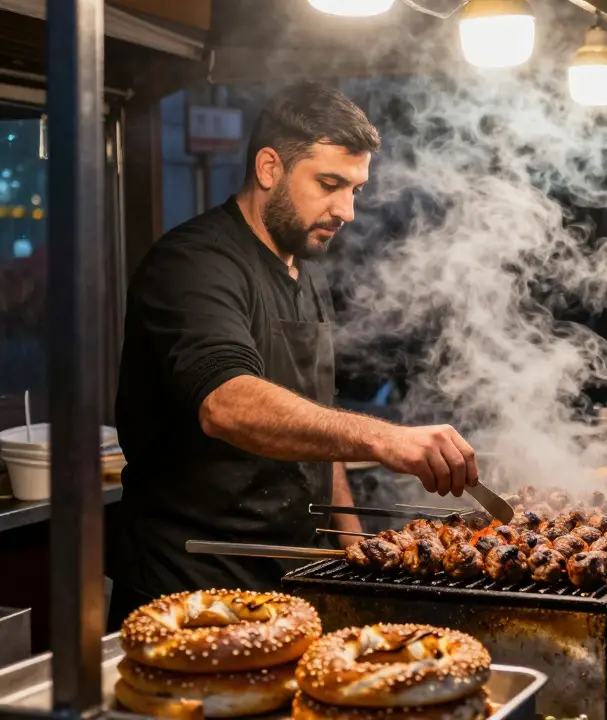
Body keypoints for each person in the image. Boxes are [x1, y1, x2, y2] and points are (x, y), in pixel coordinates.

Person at [110, 84, 478, 625]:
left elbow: (317, 436)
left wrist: (356, 563)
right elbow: (228, 403)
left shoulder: (305, 273)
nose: (347, 210)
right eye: (330, 184)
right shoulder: (194, 264)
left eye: (355, 189)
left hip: (289, 583)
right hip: (192, 591)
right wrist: (384, 437)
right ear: (268, 168)